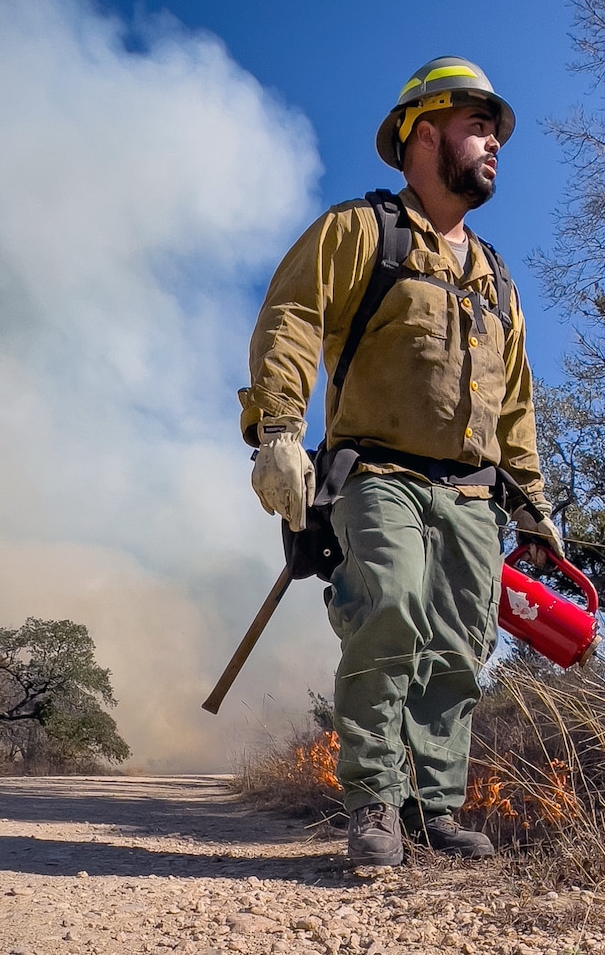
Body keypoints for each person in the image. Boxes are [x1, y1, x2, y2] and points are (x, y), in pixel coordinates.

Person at [240, 56, 562, 867]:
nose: (495, 144)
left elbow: (515, 400)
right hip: (377, 475)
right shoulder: (361, 231)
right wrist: (279, 428)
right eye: (479, 125)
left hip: (475, 498)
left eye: (497, 132)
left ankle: (434, 812)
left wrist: (533, 501)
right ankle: (374, 804)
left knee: (459, 646)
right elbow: (291, 318)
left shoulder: (498, 279)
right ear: (425, 131)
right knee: (387, 606)